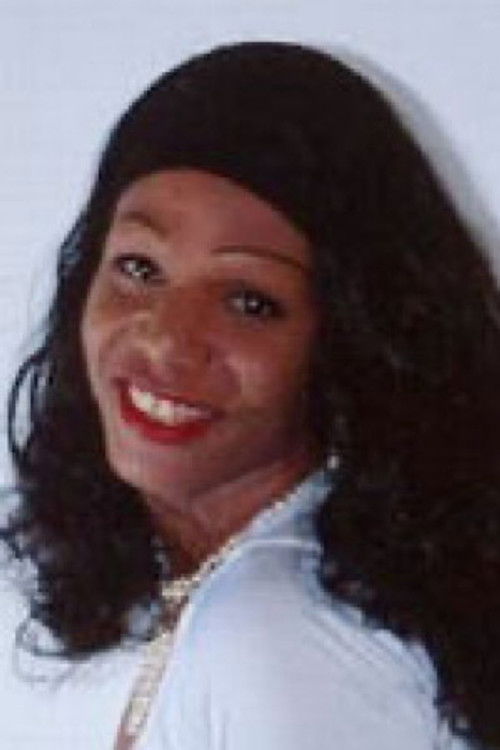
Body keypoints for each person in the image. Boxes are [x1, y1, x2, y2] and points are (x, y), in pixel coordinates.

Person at [3, 40, 500, 749]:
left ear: (345, 342)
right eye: (140, 268)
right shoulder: (245, 587)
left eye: (249, 301)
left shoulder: (270, 635)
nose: (168, 340)